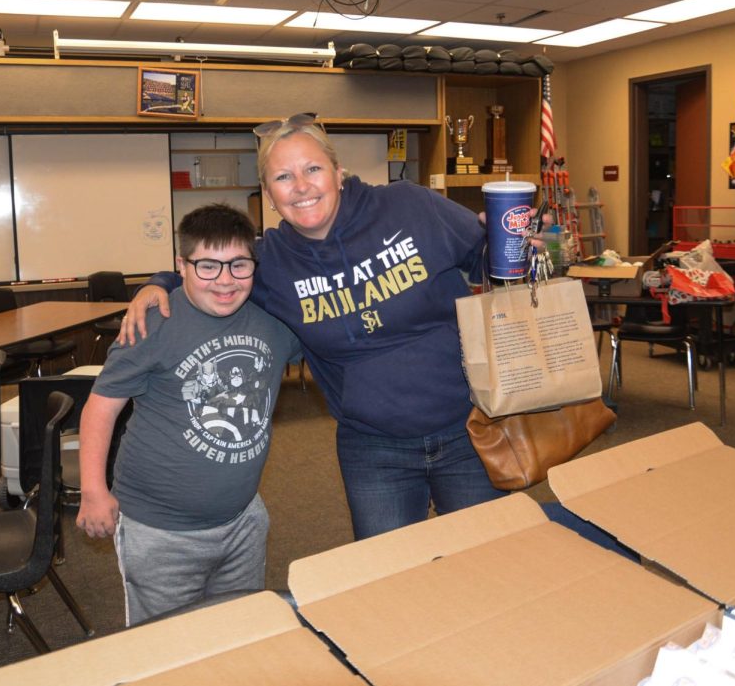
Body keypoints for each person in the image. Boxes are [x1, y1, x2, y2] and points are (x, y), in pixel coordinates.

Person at [120, 113, 510, 541]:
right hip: (373, 447)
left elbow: (487, 257)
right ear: (269, 195)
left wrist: (518, 242)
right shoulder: (271, 264)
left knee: (487, 556)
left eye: (313, 169)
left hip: (468, 428)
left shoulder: (410, 206)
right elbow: (213, 274)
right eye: (283, 177)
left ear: (338, 173)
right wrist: (158, 283)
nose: (301, 186)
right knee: (388, 579)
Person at [76, 203, 301, 626]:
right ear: (181, 265)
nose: (225, 281)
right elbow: (100, 408)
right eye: (207, 267)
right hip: (159, 532)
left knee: (235, 634)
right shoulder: (154, 321)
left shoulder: (273, 323)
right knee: (167, 648)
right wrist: (93, 490)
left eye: (238, 265)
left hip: (242, 522)